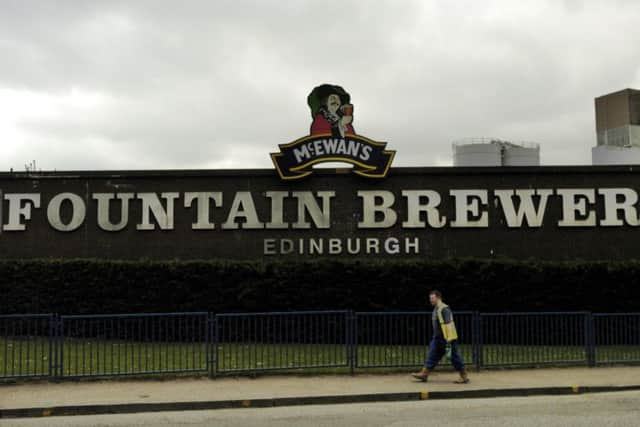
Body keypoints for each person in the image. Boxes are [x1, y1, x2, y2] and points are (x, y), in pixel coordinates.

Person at [412, 290, 470, 383]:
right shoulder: (436, 309)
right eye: (430, 298)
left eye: (432, 298)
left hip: (447, 338)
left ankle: (463, 375)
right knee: (432, 355)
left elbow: (449, 323)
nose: (430, 300)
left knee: (454, 357)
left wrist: (449, 338)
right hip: (437, 338)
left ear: (438, 297)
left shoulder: (444, 309)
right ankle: (424, 374)